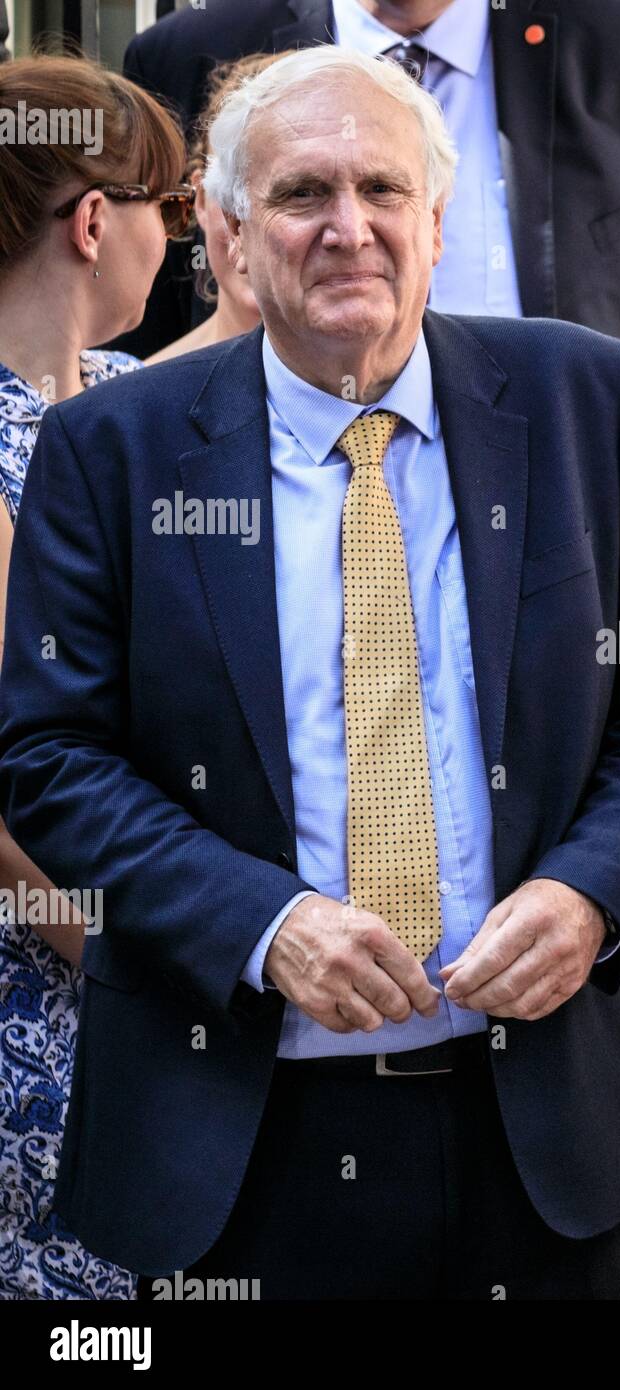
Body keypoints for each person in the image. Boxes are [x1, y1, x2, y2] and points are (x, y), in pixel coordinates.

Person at [0, 44, 620, 1300]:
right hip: (233, 1148)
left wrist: (591, 891)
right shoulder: (110, 450)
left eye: (383, 192)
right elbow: (49, 759)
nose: (351, 230)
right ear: (223, 237)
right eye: (301, 196)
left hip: (534, 1133)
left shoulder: (585, 399)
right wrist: (264, 925)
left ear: (436, 221)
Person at [116, 0, 620, 491]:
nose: (351, 228)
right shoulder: (197, 54)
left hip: (565, 502)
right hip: (281, 507)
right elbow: (146, 304)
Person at [0, 54, 188, 1299]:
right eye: (166, 213)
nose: (176, 246)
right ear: (90, 223)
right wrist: (135, 980)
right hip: (56, 987)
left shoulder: (130, 403)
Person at [146, 54, 279, 365]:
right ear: (201, 200)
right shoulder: (137, 397)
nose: (256, 225)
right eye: (233, 192)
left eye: (299, 194)